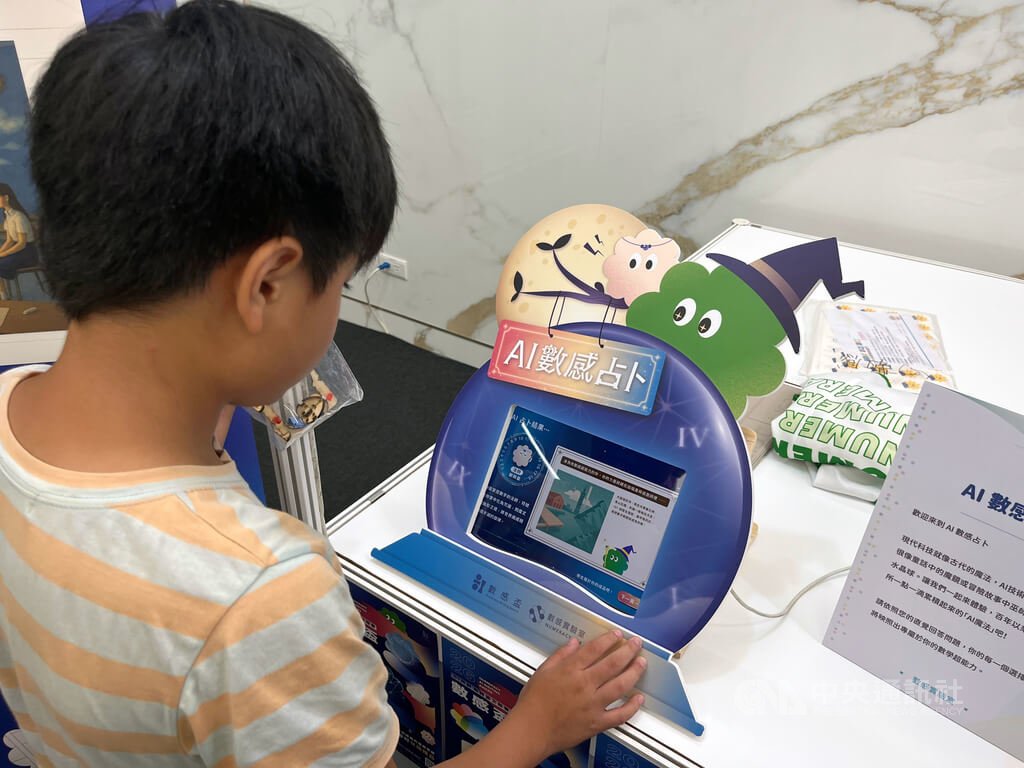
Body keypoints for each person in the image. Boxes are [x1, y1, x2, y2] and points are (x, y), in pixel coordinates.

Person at [0, 2, 646, 767]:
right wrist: (537, 726)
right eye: (339, 282)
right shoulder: (261, 597)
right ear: (268, 285)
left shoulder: (12, 406)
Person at [0, 183, 41, 299]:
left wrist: (3, 254)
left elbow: (22, 243)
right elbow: (9, 241)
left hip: (27, 253)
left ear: (6, 197)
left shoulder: (19, 217)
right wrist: (0, 252)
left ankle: (4, 297)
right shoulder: (8, 217)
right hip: (18, 250)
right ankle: (3, 295)